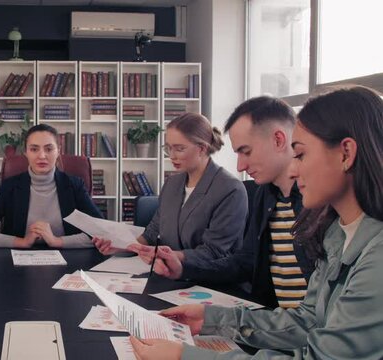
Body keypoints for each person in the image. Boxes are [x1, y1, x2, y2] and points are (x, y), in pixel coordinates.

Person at [130, 86, 383, 359]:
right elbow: (308, 320)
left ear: (346, 153)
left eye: (300, 154)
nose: (294, 169)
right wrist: (211, 319)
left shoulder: (373, 256)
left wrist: (187, 357)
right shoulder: (337, 233)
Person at [148, 97, 312, 309]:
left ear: (279, 140)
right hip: (273, 323)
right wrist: (183, 269)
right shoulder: (266, 194)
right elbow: (245, 262)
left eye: (246, 151)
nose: (241, 165)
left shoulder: (318, 200)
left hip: (300, 334)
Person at [94, 113, 247, 271]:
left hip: (207, 278)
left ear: (202, 149)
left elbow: (214, 251)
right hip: (169, 274)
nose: (172, 156)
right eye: (168, 148)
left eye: (179, 149)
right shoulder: (172, 184)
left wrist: (167, 256)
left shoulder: (230, 190)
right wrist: (121, 247)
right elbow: (152, 233)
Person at [0, 123, 103, 248]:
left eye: (49, 149)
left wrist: (56, 241)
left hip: (69, 264)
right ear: (26, 152)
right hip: (16, 266)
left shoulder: (74, 186)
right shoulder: (11, 187)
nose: (42, 156)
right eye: (34, 149)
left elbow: (102, 232)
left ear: (58, 151)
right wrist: (22, 242)